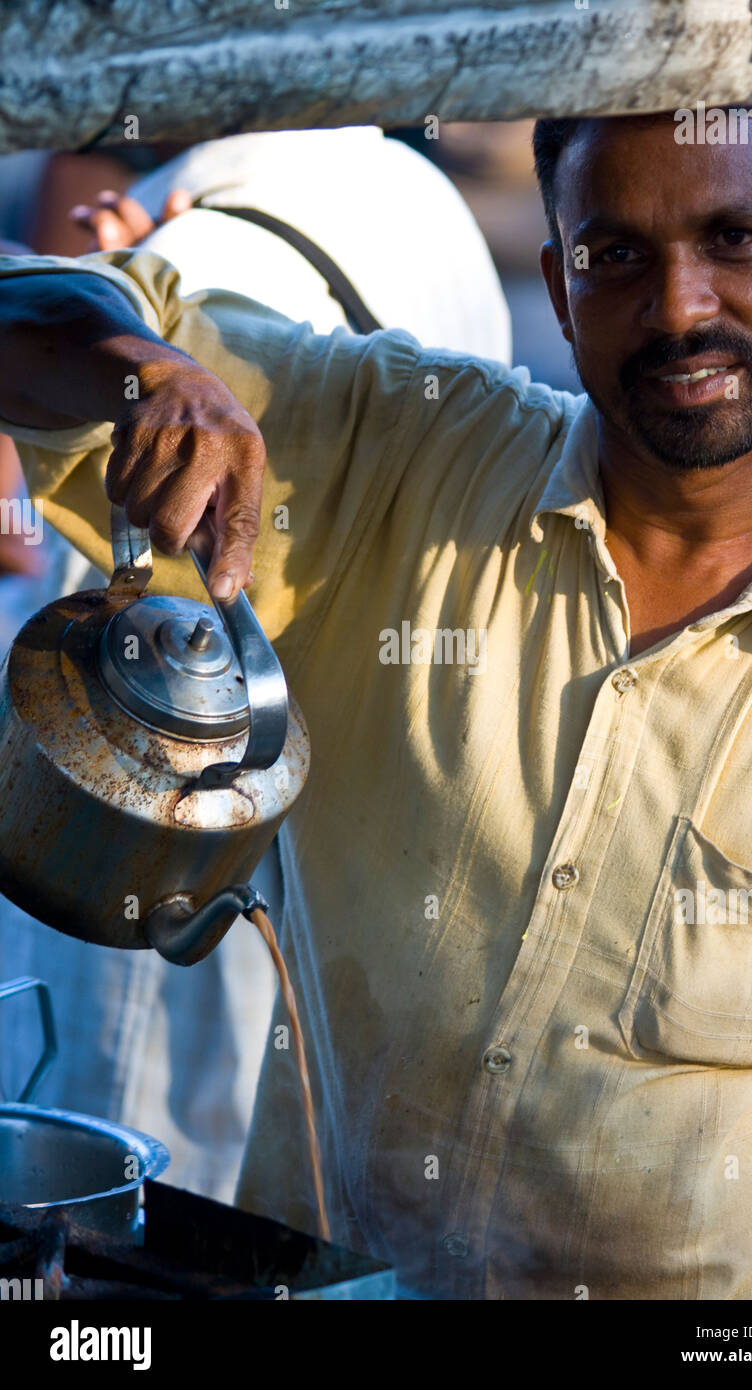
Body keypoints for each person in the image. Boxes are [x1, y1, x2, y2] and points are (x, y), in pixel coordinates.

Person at [0, 104, 752, 1301]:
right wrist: (151, 372)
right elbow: (21, 302)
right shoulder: (402, 456)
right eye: (613, 254)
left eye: (734, 240)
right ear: (556, 292)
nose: (678, 308)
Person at [0, 128, 512, 1204]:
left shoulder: (423, 411)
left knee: (227, 1028)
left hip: (356, 319)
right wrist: (117, 365)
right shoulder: (153, 319)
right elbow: (44, 278)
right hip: (160, 345)